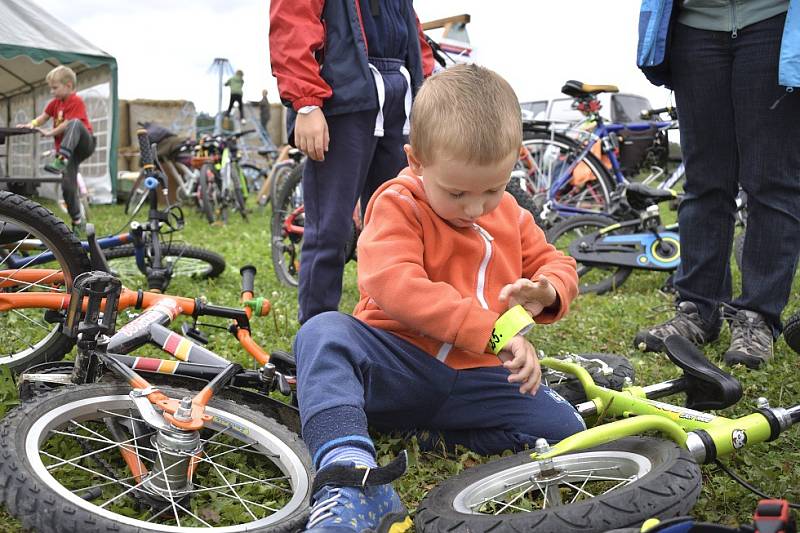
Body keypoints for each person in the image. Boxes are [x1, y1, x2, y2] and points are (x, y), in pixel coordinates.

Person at [293, 64, 585, 532]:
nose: (474, 209)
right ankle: (352, 475)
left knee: (566, 431)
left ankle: (433, 434)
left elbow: (558, 263)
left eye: (492, 189)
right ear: (416, 161)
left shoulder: (509, 214)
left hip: (476, 376)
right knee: (324, 333)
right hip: (399, 364)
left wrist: (548, 289)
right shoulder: (397, 203)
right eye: (456, 193)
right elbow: (395, 285)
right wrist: (492, 331)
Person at [634, 1, 800, 369]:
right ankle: (697, 310)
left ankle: (757, 317)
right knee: (704, 183)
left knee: (771, 183)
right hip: (694, 26)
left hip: (773, 19)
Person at [269, 0, 435, 324]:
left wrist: (430, 87)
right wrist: (306, 103)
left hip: (398, 101)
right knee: (330, 229)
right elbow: (293, 22)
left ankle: (385, 333)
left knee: (395, 226)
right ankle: (318, 337)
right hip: (343, 98)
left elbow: (412, 31)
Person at [19, 65, 94, 235]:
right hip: (69, 153)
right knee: (68, 186)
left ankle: (61, 159)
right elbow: (42, 118)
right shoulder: (54, 104)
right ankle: (77, 221)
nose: (52, 92)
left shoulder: (76, 101)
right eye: (50, 88)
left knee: (74, 123)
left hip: (83, 144)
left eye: (55, 88)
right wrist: (31, 124)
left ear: (68, 85)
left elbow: (68, 124)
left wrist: (50, 133)